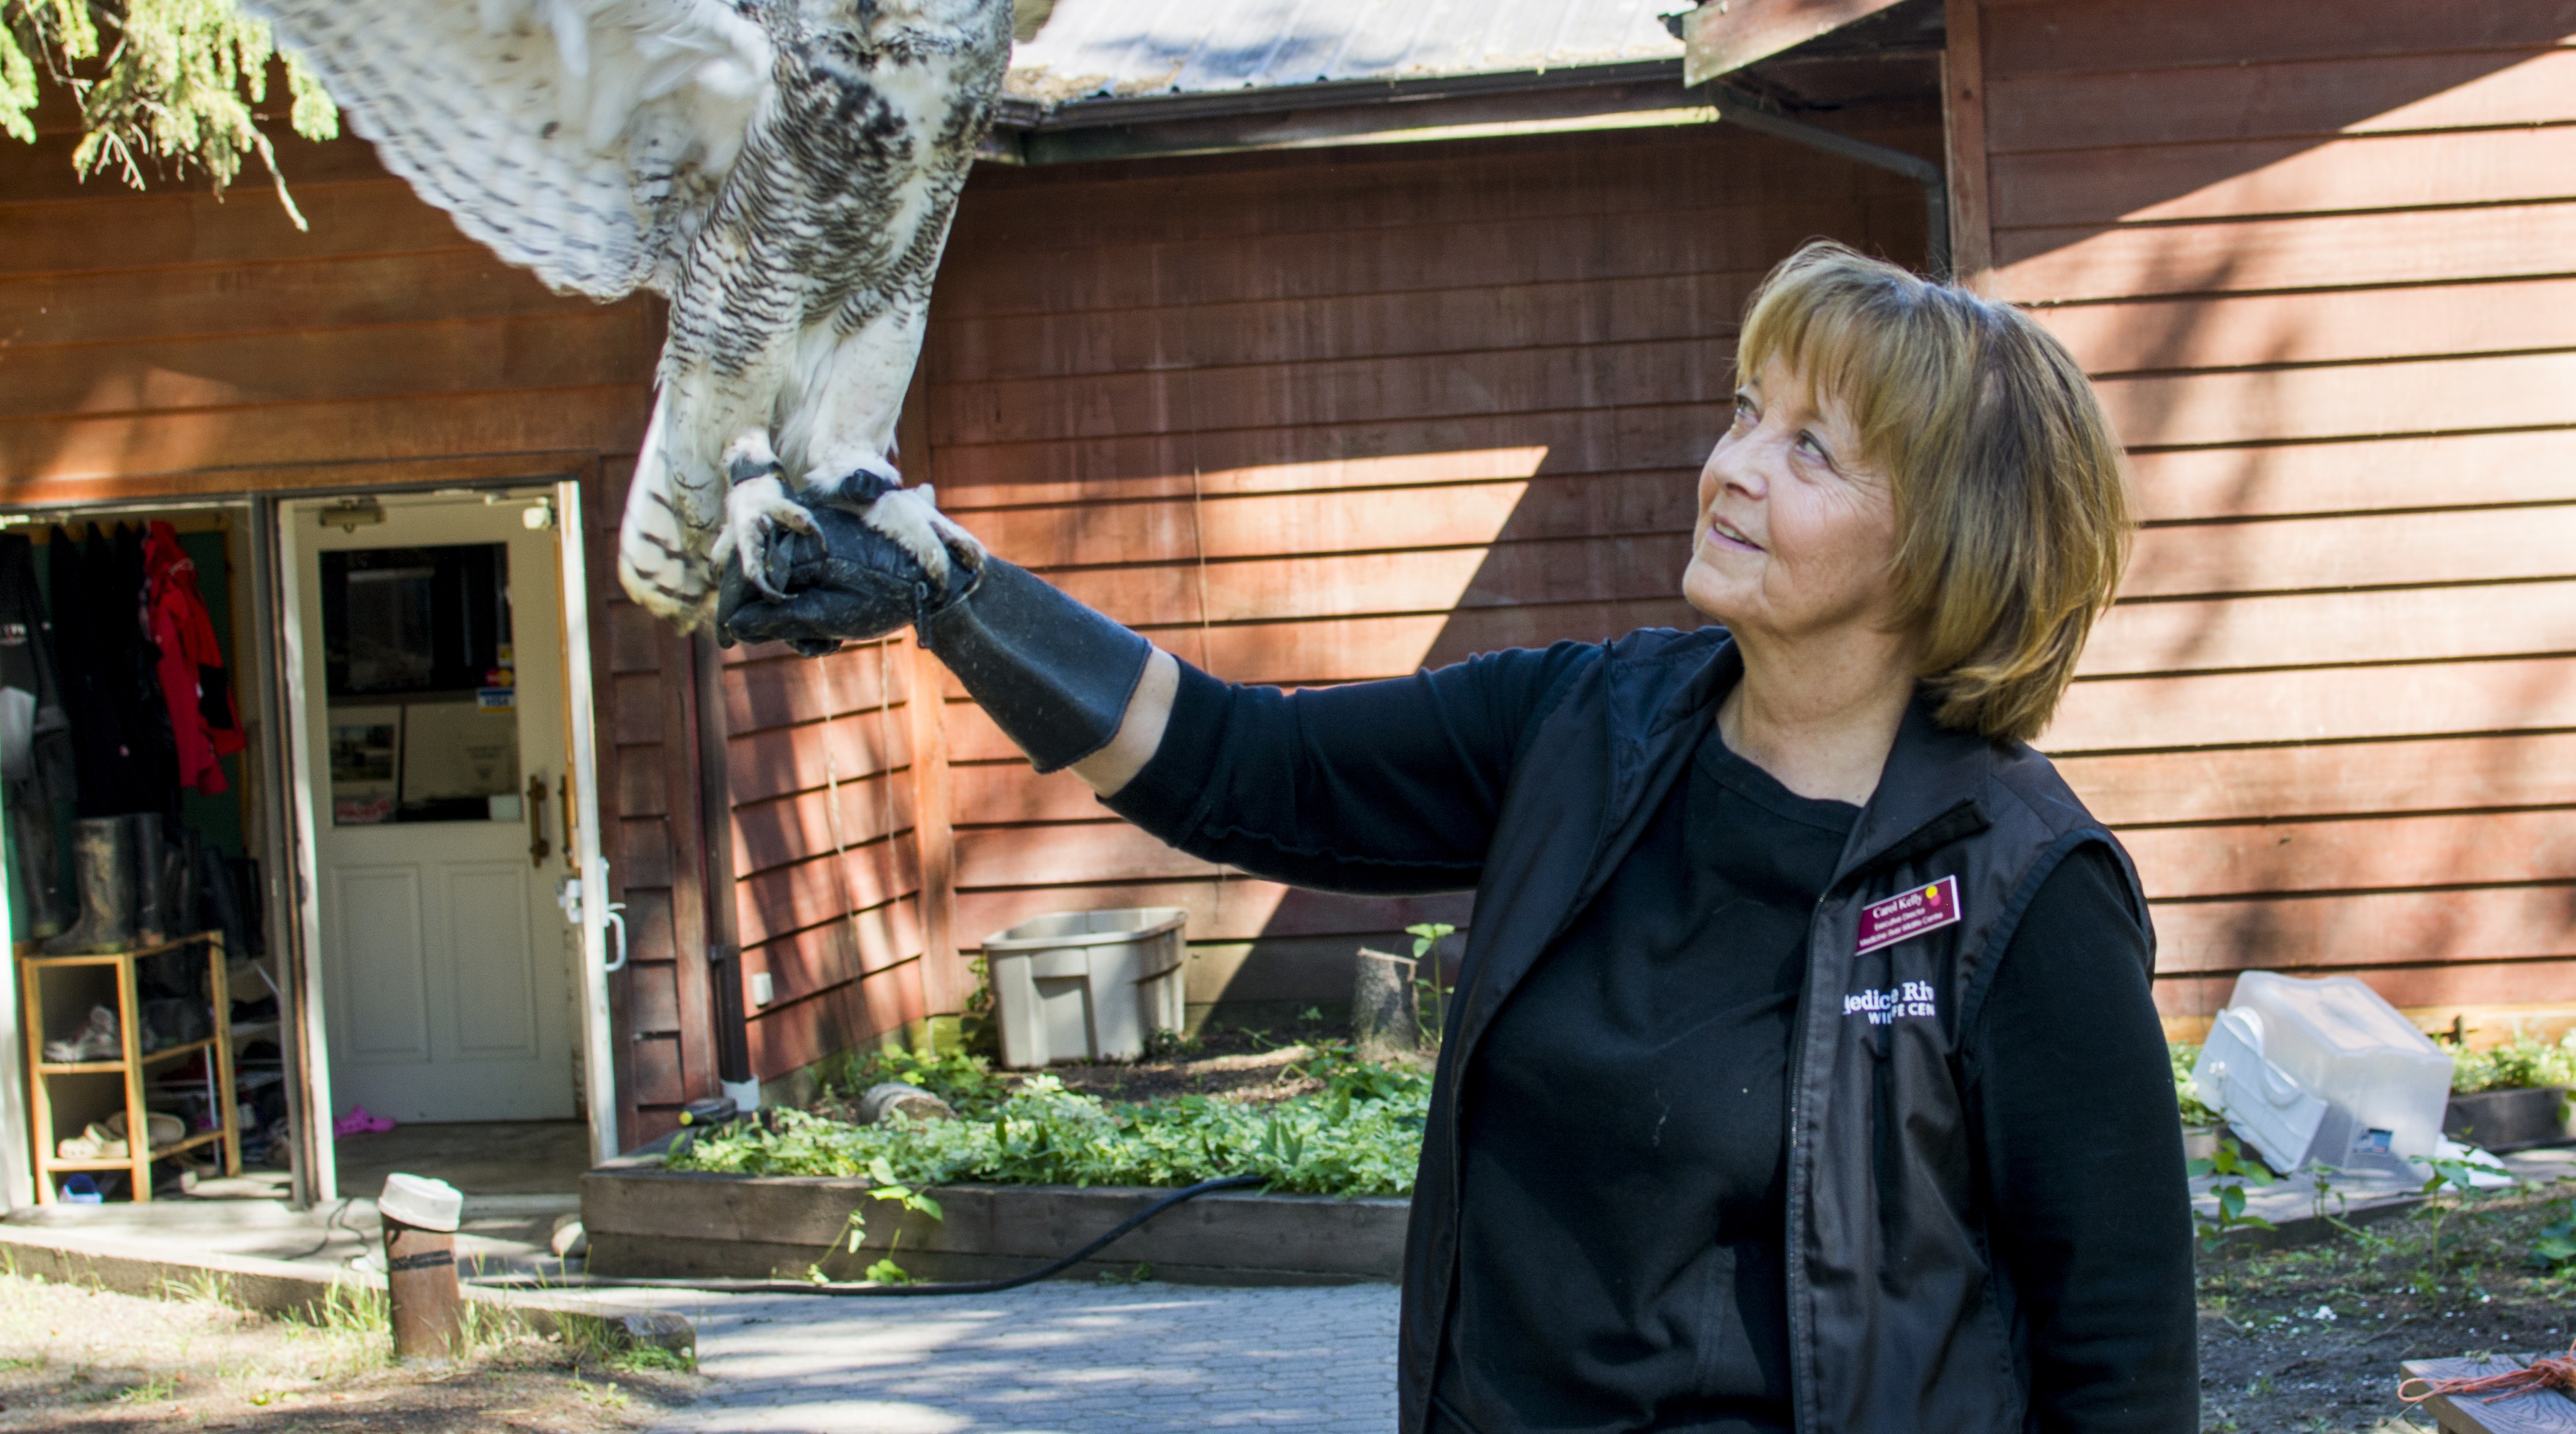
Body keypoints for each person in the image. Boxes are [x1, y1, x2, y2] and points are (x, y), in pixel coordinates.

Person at [725, 240, 2198, 1434]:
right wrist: (952, 590)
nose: (1734, 461)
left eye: (1810, 448)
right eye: (1745, 409)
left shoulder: (2014, 888)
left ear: (1946, 540)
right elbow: (1244, 763)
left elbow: (2120, 1362)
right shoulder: (1582, 726)